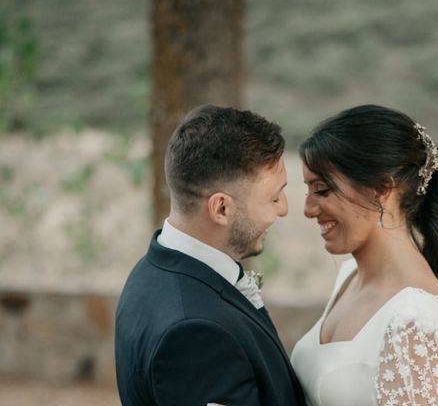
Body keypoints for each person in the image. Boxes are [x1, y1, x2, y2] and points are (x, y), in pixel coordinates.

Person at [115, 105, 305, 405]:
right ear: (221, 208)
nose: (283, 208)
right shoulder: (194, 335)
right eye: (273, 197)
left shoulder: (151, 269)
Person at [291, 104, 438, 406]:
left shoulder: (414, 317)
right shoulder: (348, 276)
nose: (308, 209)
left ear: (380, 189)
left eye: (322, 190)